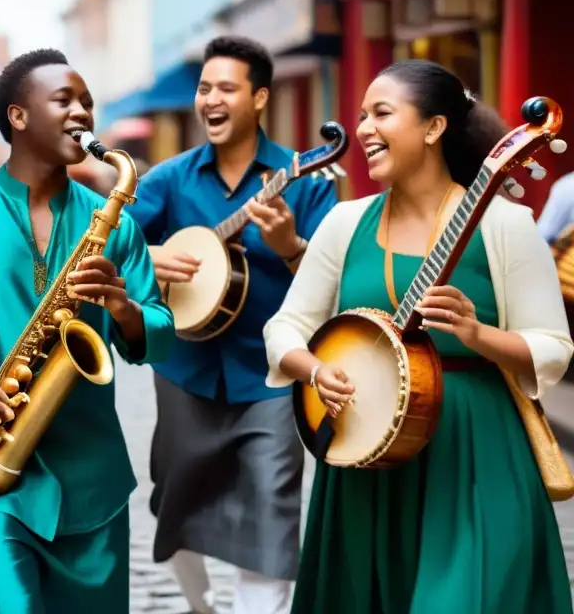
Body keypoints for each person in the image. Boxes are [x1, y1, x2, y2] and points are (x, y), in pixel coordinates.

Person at [264, 60, 573, 613]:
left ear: (434, 128)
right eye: (361, 116)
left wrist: (478, 334)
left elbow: (553, 345)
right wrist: (311, 369)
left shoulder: (505, 225)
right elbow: (286, 326)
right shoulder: (344, 223)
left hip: (474, 449)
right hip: (365, 447)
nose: (362, 129)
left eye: (382, 113)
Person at [0, 48, 175, 613]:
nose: (82, 113)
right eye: (64, 100)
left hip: (93, 480)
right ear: (18, 117)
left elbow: (159, 327)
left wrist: (123, 308)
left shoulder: (115, 222)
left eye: (87, 103)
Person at [125, 35, 338, 614]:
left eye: (225, 88)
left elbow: (329, 286)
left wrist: (289, 245)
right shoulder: (167, 179)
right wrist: (150, 257)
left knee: (272, 502)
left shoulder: (308, 179)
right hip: (184, 368)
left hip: (269, 370)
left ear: (260, 97)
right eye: (203, 88)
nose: (209, 99)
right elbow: (112, 248)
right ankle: (201, 607)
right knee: (174, 499)